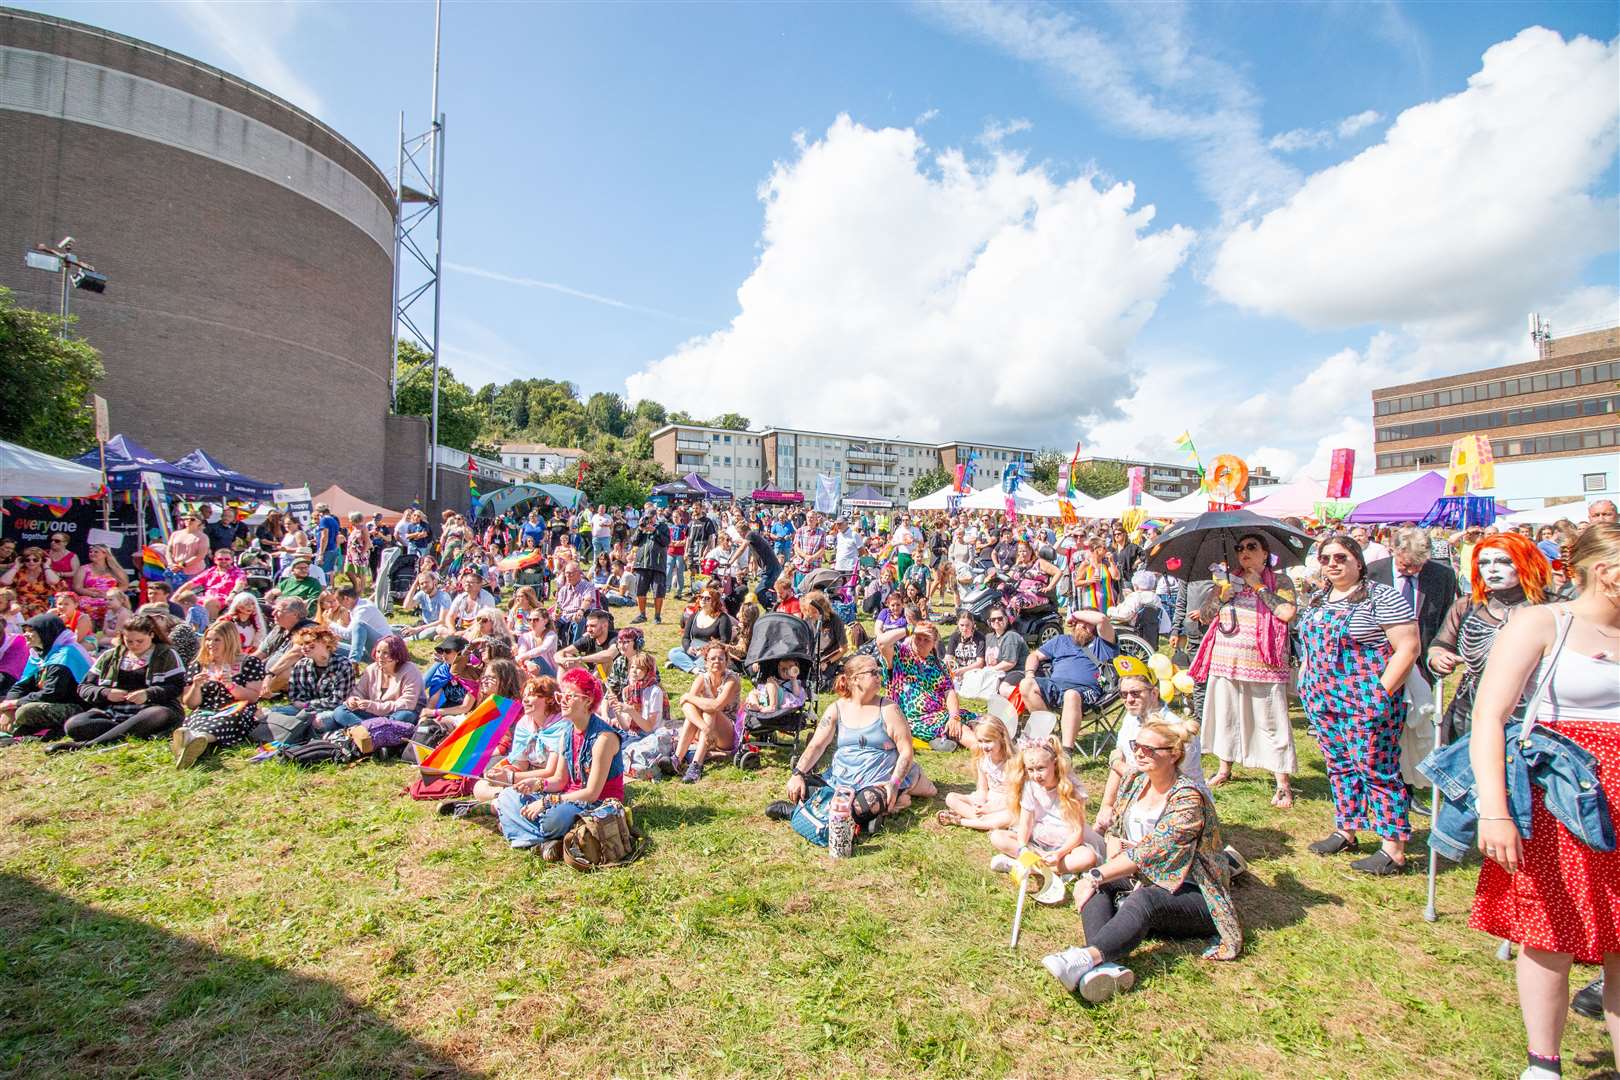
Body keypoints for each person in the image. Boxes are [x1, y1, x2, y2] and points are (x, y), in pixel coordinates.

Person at [1466, 523, 1618, 1079]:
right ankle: (1544, 1062)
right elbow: (1489, 715)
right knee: (1548, 926)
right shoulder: (1541, 621)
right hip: (1557, 793)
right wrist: (1495, 808)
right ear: (1606, 571)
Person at [1041, 714, 1242, 1001]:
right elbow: (1115, 829)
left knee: (1141, 898)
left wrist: (1099, 872)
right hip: (1141, 876)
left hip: (1194, 891)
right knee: (1097, 885)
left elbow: (1150, 852)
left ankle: (1086, 957)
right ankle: (1104, 967)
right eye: (1137, 745)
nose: (1139, 753)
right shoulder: (1135, 779)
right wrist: (1100, 876)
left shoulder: (1188, 798)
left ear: (1173, 754)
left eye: (1149, 749)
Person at [1296, 533, 1420, 875]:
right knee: (1338, 765)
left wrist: (1380, 694)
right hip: (1322, 697)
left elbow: (1408, 648)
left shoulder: (1383, 597)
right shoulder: (1320, 599)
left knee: (1376, 769)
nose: (1333, 564)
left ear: (1358, 561)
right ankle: (1346, 829)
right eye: (1325, 558)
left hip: (1366, 697)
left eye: (1341, 557)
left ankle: (1392, 847)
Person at [768, 651, 935, 828]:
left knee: (868, 802)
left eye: (879, 671)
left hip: (877, 783)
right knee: (802, 788)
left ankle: (800, 813)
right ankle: (865, 819)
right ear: (855, 679)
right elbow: (816, 745)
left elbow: (906, 751)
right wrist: (798, 774)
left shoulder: (888, 709)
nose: (879, 676)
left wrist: (894, 784)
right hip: (839, 782)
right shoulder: (837, 708)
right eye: (873, 672)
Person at [1193, 534, 1298, 808]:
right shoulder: (1226, 581)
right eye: (1240, 548)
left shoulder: (1280, 582)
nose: (1245, 552)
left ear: (1266, 554)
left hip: (1265, 665)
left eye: (1252, 547)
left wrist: (1260, 587)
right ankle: (1224, 768)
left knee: (1271, 722)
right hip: (1226, 661)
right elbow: (1204, 617)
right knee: (1226, 718)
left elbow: (1287, 613)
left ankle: (1282, 783)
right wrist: (1221, 597)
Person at [1429, 533, 1555, 740]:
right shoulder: (1467, 606)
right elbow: (1440, 644)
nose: (1492, 569)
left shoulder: (1553, 607)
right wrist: (1438, 657)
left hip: (1536, 709)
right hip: (1472, 708)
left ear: (1526, 562)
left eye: (1504, 561)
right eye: (1485, 562)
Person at [493, 667, 624, 861]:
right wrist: (537, 784)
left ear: (587, 700)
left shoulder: (603, 738)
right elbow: (559, 780)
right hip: (567, 797)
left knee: (553, 819)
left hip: (596, 805)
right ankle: (544, 841)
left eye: (569, 696)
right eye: (560, 695)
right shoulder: (567, 732)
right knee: (507, 796)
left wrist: (547, 801)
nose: (562, 700)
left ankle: (525, 832)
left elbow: (592, 793)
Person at [1096, 663, 1211, 831]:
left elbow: (1157, 777)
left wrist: (1116, 764)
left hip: (1178, 803)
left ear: (1154, 693)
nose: (1128, 700)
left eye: (1136, 693)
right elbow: (1119, 754)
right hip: (1142, 794)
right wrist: (1106, 806)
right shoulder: (1131, 718)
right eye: (1123, 694)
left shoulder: (1173, 728)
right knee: (1097, 832)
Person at [50, 614, 187, 753]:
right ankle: (130, 733)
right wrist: (106, 693)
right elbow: (84, 687)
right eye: (129, 641)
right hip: (114, 713)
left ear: (151, 635)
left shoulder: (166, 655)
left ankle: (89, 745)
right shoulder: (110, 656)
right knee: (74, 725)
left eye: (140, 641)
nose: (134, 645)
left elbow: (176, 687)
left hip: (150, 711)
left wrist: (148, 693)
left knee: (159, 713)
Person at [988, 734, 1102, 878]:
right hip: (1038, 839)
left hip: (1066, 844)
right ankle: (1044, 865)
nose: (1036, 775)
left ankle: (1027, 867)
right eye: (1031, 770)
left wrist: (1059, 854)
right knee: (997, 836)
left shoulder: (1070, 788)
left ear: (1054, 763)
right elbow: (1026, 822)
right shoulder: (1030, 785)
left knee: (1087, 857)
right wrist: (1023, 847)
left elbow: (1077, 832)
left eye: (1041, 768)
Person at [1019, 610, 1119, 755]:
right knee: (1026, 684)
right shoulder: (1060, 640)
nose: (1083, 626)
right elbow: (1034, 655)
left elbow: (1102, 619)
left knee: (1071, 695)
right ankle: (1049, 738)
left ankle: (1066, 753)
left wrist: (1074, 614)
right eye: (1080, 623)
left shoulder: (1103, 643)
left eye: (1088, 623)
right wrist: (1029, 674)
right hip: (1056, 687)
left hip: (1087, 692)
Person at [172, 620, 268, 767]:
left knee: (225, 720)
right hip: (206, 710)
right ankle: (193, 744)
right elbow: (191, 704)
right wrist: (196, 687)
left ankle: (193, 740)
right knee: (198, 717)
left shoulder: (250, 662)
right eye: (208, 640)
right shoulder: (198, 665)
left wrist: (231, 686)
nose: (211, 644)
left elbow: (253, 697)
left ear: (229, 640)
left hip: (238, 709)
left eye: (217, 640)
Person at [876, 622, 978, 750]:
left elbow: (949, 692)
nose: (921, 642)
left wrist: (954, 717)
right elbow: (882, 642)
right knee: (962, 730)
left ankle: (992, 744)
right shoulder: (899, 656)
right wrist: (911, 629)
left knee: (979, 722)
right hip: (915, 719)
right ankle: (987, 753)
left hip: (942, 713)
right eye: (918, 637)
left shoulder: (938, 664)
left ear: (934, 642)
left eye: (926, 639)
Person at [313, 633, 423, 747]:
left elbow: (407, 704)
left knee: (405, 716)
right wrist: (354, 699)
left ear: (397, 655)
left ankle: (363, 735)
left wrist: (372, 705)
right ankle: (373, 735)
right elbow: (359, 691)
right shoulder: (372, 669)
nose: (380, 656)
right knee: (340, 711)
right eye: (378, 652)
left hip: (395, 714)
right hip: (374, 716)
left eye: (386, 653)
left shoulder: (410, 670)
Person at [0, 614, 92, 742]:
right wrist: (7, 709)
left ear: (46, 632)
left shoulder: (65, 654)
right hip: (50, 702)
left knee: (25, 711)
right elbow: (21, 686)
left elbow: (52, 693)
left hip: (77, 707)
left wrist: (14, 704)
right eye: (25, 630)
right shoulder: (40, 654)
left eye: (31, 631)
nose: (25, 634)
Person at [674, 642, 741, 783]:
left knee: (710, 711)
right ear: (706, 662)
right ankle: (676, 759)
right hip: (706, 731)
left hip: (727, 733)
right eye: (713, 658)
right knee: (697, 711)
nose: (717, 661)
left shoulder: (731, 680)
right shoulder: (701, 679)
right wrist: (705, 728)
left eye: (721, 658)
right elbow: (687, 707)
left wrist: (688, 697)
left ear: (726, 661)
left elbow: (716, 705)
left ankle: (696, 765)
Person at [937, 714, 1015, 831]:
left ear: (1001, 739)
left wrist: (990, 808)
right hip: (988, 798)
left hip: (1005, 804)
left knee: (1011, 816)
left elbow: (1014, 797)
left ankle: (961, 820)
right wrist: (980, 802)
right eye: (980, 741)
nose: (984, 746)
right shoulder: (983, 760)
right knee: (951, 798)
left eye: (988, 741)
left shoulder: (1012, 763)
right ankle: (983, 820)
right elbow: (982, 789)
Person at [613, 652, 675, 778]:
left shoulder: (654, 691)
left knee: (623, 754)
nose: (634, 671)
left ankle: (644, 767)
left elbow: (648, 727)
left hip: (650, 735)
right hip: (633, 735)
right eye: (632, 667)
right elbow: (626, 727)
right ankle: (640, 767)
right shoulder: (628, 690)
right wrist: (616, 710)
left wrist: (631, 711)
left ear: (648, 671)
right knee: (611, 749)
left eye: (640, 668)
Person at [668, 588, 735, 674]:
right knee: (673, 652)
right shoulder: (694, 616)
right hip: (694, 649)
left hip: (711, 652)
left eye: (707, 598)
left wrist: (705, 650)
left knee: (706, 663)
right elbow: (686, 637)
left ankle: (684, 665)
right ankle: (694, 669)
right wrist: (688, 648)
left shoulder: (723, 618)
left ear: (714, 601)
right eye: (701, 597)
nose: (703, 600)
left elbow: (724, 641)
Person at [172, 548, 246, 622]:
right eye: (220, 559)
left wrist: (233, 594)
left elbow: (240, 583)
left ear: (231, 560)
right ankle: (182, 625)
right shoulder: (210, 571)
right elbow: (191, 584)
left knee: (209, 602)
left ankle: (208, 626)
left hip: (225, 599)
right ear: (215, 560)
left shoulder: (237, 572)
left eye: (227, 559)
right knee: (183, 598)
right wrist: (176, 595)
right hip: (206, 598)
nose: (223, 561)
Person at [71, 542, 129, 628]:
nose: (92, 554)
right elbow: (77, 587)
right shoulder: (84, 569)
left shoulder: (114, 569)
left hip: (110, 597)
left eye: (96, 552)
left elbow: (124, 585)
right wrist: (93, 594)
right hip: (91, 596)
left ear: (105, 554)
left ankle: (110, 629)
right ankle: (89, 629)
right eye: (91, 552)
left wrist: (110, 594)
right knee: (84, 604)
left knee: (113, 603)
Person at [328, 584, 392, 663]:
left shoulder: (363, 610)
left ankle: (353, 662)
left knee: (358, 625)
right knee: (328, 645)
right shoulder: (361, 604)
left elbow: (349, 634)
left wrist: (330, 624)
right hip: (370, 648)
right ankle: (353, 662)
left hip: (384, 649)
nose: (339, 604)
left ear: (346, 598)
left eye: (338, 601)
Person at [630, 509, 670, 625]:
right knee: (640, 590)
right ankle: (642, 615)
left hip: (657, 563)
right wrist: (640, 529)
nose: (648, 520)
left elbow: (666, 542)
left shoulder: (662, 526)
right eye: (646, 517)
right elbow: (634, 542)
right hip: (642, 564)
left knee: (658, 591)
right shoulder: (642, 527)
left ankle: (657, 616)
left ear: (655, 516)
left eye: (650, 517)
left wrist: (655, 530)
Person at [1, 547, 61, 618]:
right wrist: (17, 566)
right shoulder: (19, 572)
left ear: (42, 560)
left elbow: (53, 581)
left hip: (41, 606)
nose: (31, 562)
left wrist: (46, 565)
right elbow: (4, 582)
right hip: (19, 605)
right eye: (27, 560)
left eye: (35, 560)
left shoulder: (47, 572)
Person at [400, 572, 454, 639]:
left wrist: (418, 629)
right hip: (424, 625)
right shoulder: (422, 594)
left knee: (427, 632)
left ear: (434, 582)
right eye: (421, 583)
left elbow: (442, 621)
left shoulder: (443, 596)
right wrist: (414, 585)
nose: (424, 585)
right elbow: (406, 606)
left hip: (438, 627)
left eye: (426, 582)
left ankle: (406, 639)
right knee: (398, 628)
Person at [166, 512, 211, 578]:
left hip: (194, 572)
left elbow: (200, 555)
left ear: (199, 522)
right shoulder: (175, 534)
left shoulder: (203, 537)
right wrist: (171, 564)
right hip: (174, 570)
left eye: (192, 519)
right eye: (186, 519)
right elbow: (169, 550)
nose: (188, 521)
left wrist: (181, 565)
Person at [313, 503, 342, 576]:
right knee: (328, 573)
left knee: (319, 573)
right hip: (333, 549)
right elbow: (337, 536)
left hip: (326, 550)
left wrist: (321, 554)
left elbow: (324, 537)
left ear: (320, 512)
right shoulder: (334, 520)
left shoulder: (324, 520)